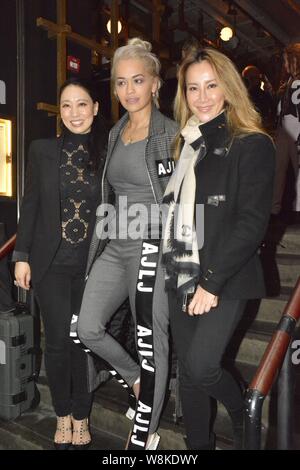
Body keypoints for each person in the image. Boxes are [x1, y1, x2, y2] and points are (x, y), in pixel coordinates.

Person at [162, 47, 275, 450]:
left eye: (211, 85)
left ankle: (244, 406)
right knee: (189, 376)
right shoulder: (188, 145)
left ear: (228, 87)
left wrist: (210, 283)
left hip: (225, 277)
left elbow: (250, 223)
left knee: (202, 366)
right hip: (181, 272)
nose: (203, 96)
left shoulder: (252, 143)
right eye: (193, 88)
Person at [74, 37, 178, 450]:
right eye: (121, 82)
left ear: (155, 83)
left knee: (153, 337)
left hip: (153, 247)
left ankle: (146, 433)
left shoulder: (170, 134)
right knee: (87, 326)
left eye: (138, 80)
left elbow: (180, 200)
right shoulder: (115, 131)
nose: (129, 90)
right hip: (116, 246)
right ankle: (137, 378)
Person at [12, 77, 108, 449]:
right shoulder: (42, 150)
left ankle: (82, 415)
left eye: (82, 104)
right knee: (55, 343)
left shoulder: (108, 149)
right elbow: (32, 204)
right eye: (66, 105)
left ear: (95, 108)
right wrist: (21, 256)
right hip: (50, 264)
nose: (74, 113)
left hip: (94, 266)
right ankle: (63, 414)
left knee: (83, 342)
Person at [273, 43, 300, 219]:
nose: (284, 65)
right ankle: (275, 209)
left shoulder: (296, 82)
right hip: (286, 129)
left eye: (286, 61)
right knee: (279, 171)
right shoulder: (291, 81)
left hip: (294, 130)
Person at [242, 64, 275, 131]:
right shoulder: (243, 97)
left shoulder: (264, 93)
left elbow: (272, 110)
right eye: (252, 78)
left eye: (257, 77)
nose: (256, 80)